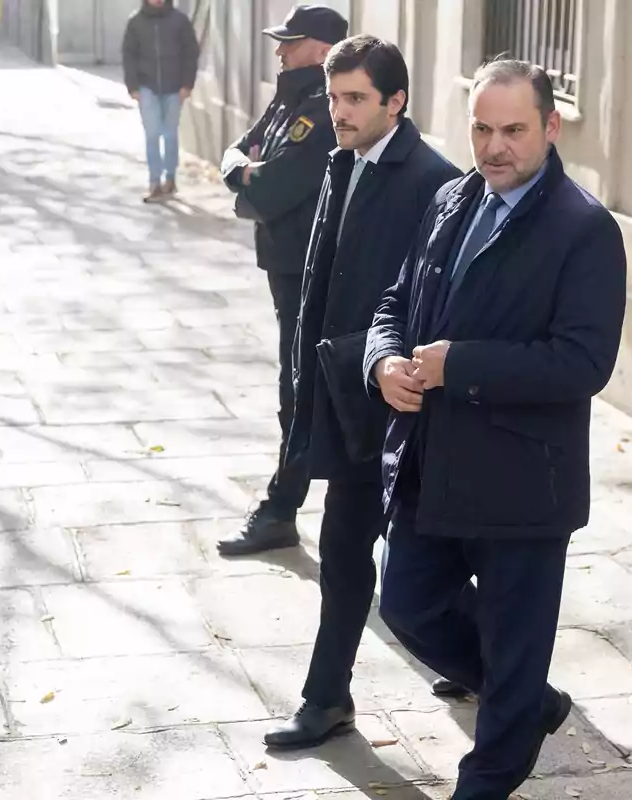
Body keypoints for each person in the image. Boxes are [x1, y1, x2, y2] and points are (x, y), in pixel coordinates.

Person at [363, 57, 628, 800]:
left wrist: (462, 366)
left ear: (550, 126)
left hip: (523, 483)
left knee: (514, 647)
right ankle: (528, 703)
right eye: (482, 128)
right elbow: (395, 301)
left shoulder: (585, 228)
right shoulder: (451, 198)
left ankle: (489, 774)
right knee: (407, 603)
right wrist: (383, 362)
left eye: (513, 130)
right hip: (431, 464)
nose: (494, 146)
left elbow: (583, 362)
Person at [260, 35, 462, 749]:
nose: (339, 112)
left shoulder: (434, 182)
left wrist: (394, 369)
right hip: (342, 395)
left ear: (395, 102)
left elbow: (435, 302)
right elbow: (323, 278)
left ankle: (512, 683)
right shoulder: (341, 158)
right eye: (335, 97)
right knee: (346, 553)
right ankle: (330, 697)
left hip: (398, 406)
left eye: (354, 99)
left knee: (418, 559)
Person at [216, 4, 347, 557]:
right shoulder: (289, 97)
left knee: (301, 388)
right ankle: (285, 506)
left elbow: (269, 189)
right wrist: (243, 171)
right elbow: (237, 150)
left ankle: (282, 507)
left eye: (290, 43)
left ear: (319, 50)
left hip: (308, 267)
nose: (279, 51)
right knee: (296, 384)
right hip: (282, 261)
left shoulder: (319, 112)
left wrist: (246, 178)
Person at [121, 0, 199, 202]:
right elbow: (128, 55)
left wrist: (187, 84)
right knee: (152, 134)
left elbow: (191, 53)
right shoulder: (136, 22)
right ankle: (154, 183)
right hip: (147, 88)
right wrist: (133, 86)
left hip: (174, 88)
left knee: (170, 134)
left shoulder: (180, 21)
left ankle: (170, 180)